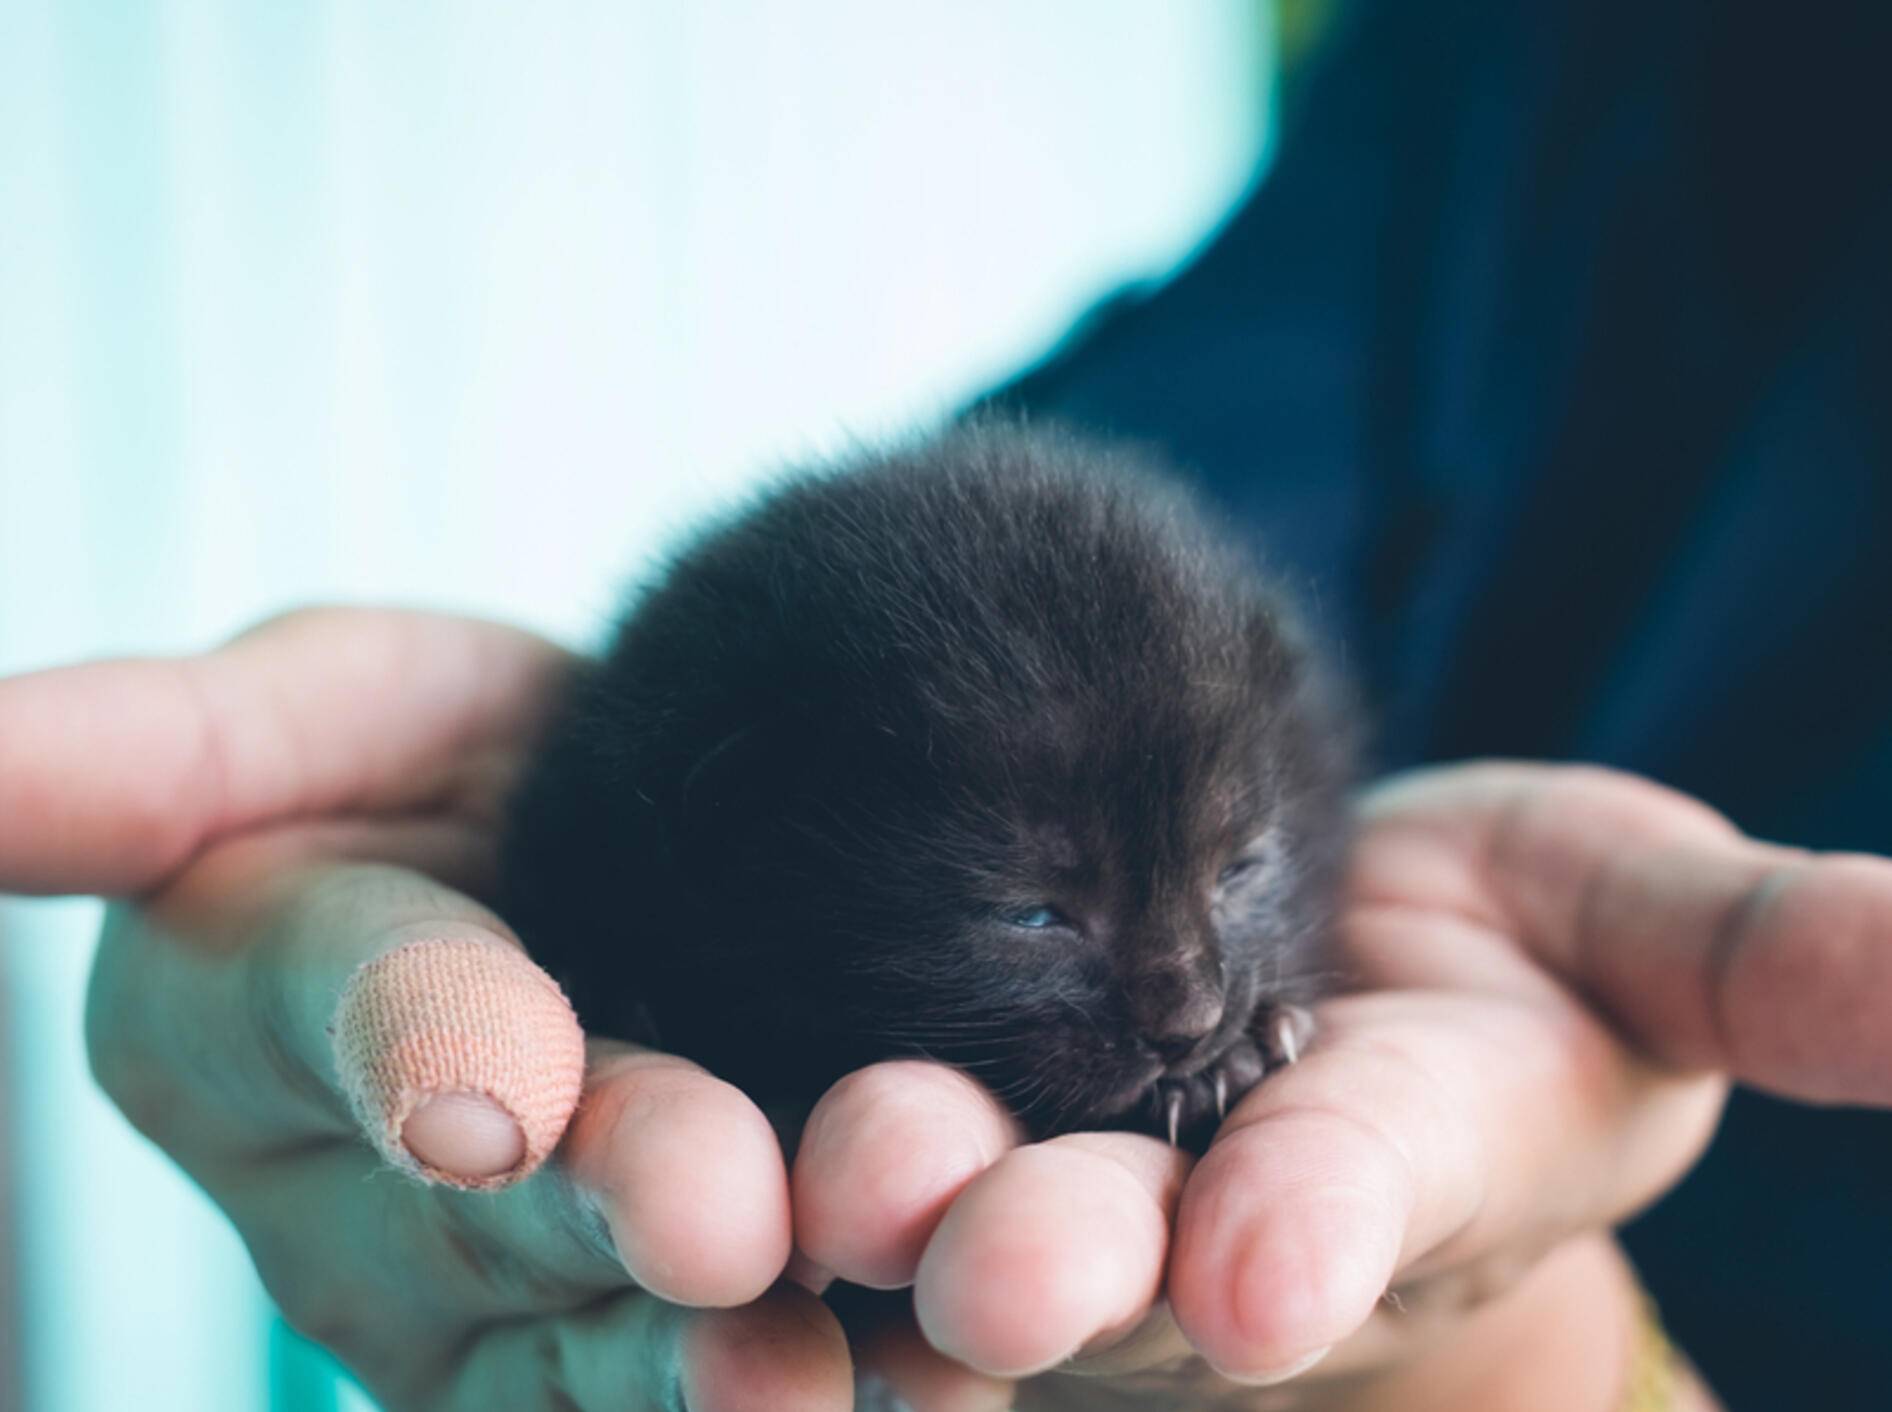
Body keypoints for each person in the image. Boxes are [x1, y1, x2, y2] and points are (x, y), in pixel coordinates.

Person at [5, 0, 1887, 1407]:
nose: (1188, 1003)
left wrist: (1533, 1373)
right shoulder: (1625, 76)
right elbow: (1057, 581)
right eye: (1037, 911)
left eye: (1220, 889)